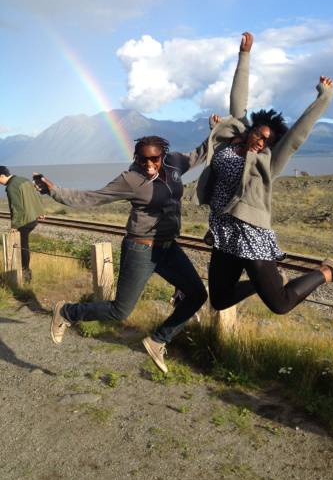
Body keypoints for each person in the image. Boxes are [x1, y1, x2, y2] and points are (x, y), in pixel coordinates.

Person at [192, 32, 333, 317]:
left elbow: (297, 135)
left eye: (267, 141)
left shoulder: (267, 162)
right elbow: (238, 101)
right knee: (219, 300)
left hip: (250, 234)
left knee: (281, 303)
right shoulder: (232, 138)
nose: (261, 142)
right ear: (250, 129)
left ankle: (328, 272)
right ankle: (265, 283)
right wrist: (244, 55)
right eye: (259, 134)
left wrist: (324, 97)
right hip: (224, 231)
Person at [37, 131, 214, 374]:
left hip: (168, 248)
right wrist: (54, 191)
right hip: (141, 248)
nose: (149, 164)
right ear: (136, 158)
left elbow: (200, 153)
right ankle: (66, 312)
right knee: (120, 311)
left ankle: (158, 340)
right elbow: (91, 198)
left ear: (163, 156)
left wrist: (220, 128)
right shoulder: (130, 179)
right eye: (143, 159)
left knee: (197, 294)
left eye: (154, 159)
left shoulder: (174, 163)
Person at [0, 165, 44, 283]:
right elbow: (36, 196)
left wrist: (14, 226)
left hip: (24, 221)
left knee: (22, 247)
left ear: (2, 176)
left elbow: (16, 208)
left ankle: (25, 273)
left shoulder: (11, 187)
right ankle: (24, 272)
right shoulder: (24, 180)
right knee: (24, 246)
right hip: (32, 219)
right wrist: (40, 211)